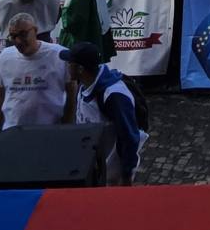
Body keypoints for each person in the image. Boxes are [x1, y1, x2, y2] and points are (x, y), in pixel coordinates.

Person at [62, 42, 147, 186]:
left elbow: (129, 137)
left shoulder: (114, 96)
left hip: (110, 172)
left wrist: (126, 174)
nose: (66, 66)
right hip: (93, 163)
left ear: (80, 69)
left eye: (70, 63)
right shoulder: (84, 83)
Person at [0, 12, 76, 132]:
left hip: (50, 130)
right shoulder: (5, 56)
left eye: (23, 34)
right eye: (13, 36)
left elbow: (72, 92)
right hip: (13, 130)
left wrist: (67, 126)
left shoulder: (59, 55)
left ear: (35, 31)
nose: (18, 41)